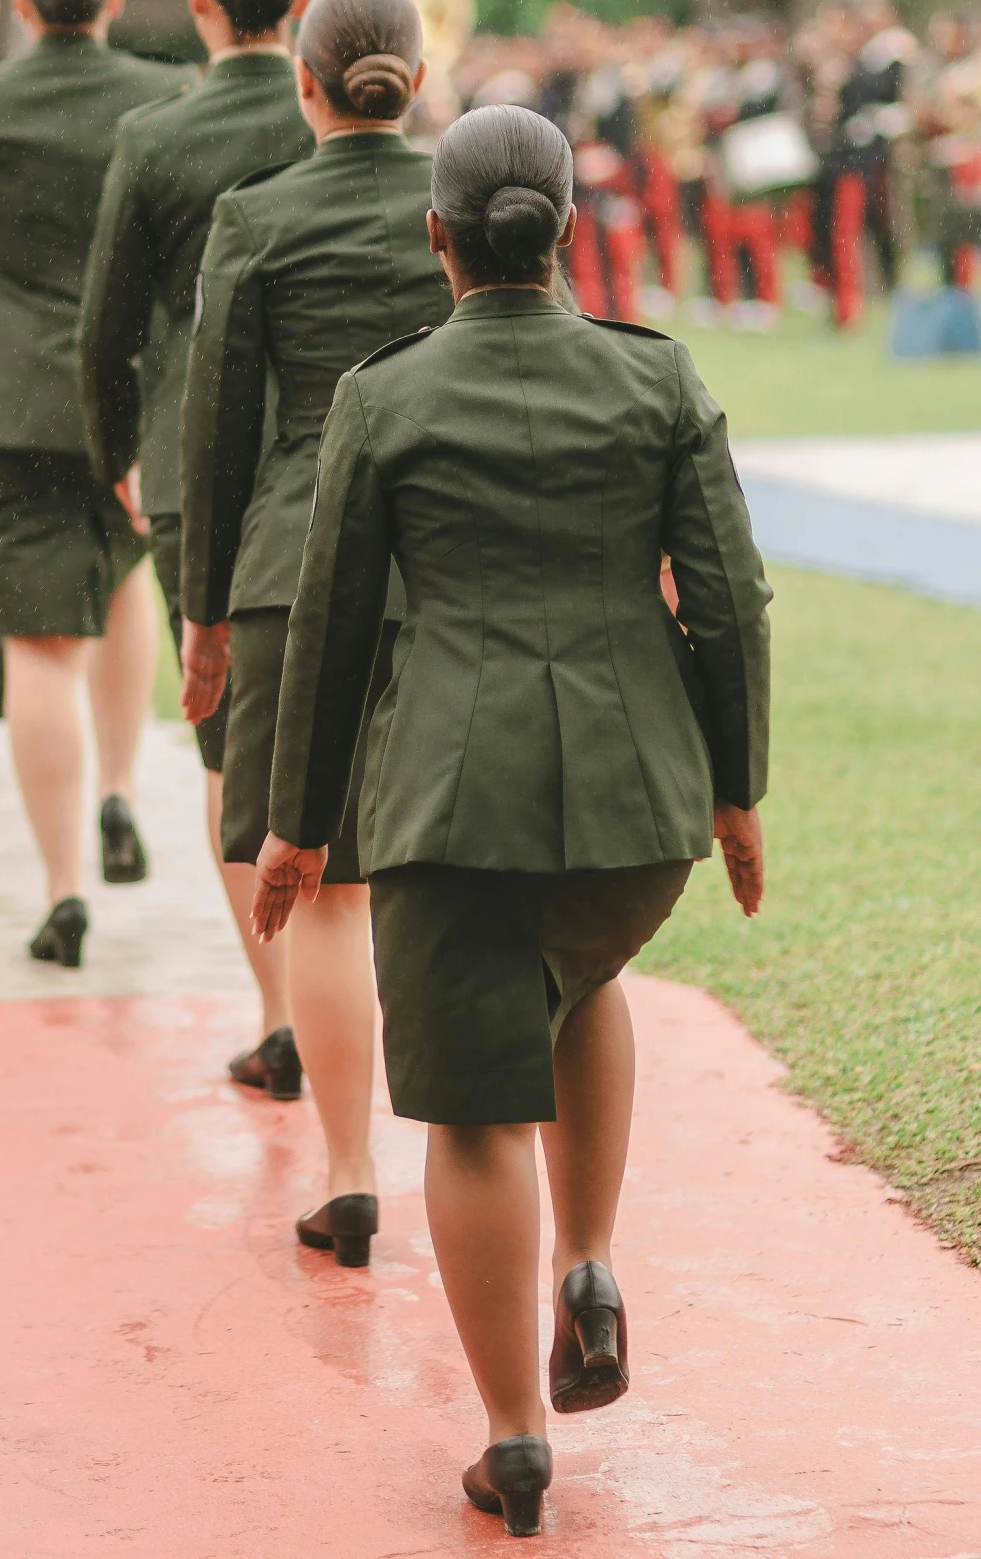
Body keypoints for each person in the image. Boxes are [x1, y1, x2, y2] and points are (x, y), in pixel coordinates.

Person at [254, 103, 770, 1538]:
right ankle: (589, 1262)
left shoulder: (384, 395)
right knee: (581, 974)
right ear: (563, 231)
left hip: (447, 792)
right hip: (634, 801)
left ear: (439, 242)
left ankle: (510, 1438)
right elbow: (726, 601)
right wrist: (735, 789)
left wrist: (295, 825)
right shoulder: (654, 379)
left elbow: (332, 625)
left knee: (474, 1111)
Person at [179, 0, 449, 1257]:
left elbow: (217, 433)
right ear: (414, 74)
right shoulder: (470, 192)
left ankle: (349, 1170)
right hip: (457, 571)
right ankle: (501, 1169)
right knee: (460, 886)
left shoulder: (257, 216)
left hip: (296, 567)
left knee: (328, 889)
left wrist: (204, 613)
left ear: (303, 82)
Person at [78, 0, 313, 1091]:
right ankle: (345, 990)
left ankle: (282, 1011)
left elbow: (105, 328)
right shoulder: (349, 115)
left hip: (191, 457)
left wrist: (123, 450)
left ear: (203, 3)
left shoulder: (157, 137)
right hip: (343, 446)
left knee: (229, 732)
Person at [0, 0, 182, 965]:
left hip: (15, 396)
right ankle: (120, 789)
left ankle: (63, 885)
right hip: (128, 393)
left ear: (20, 7)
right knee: (121, 581)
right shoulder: (161, 98)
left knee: (34, 641)